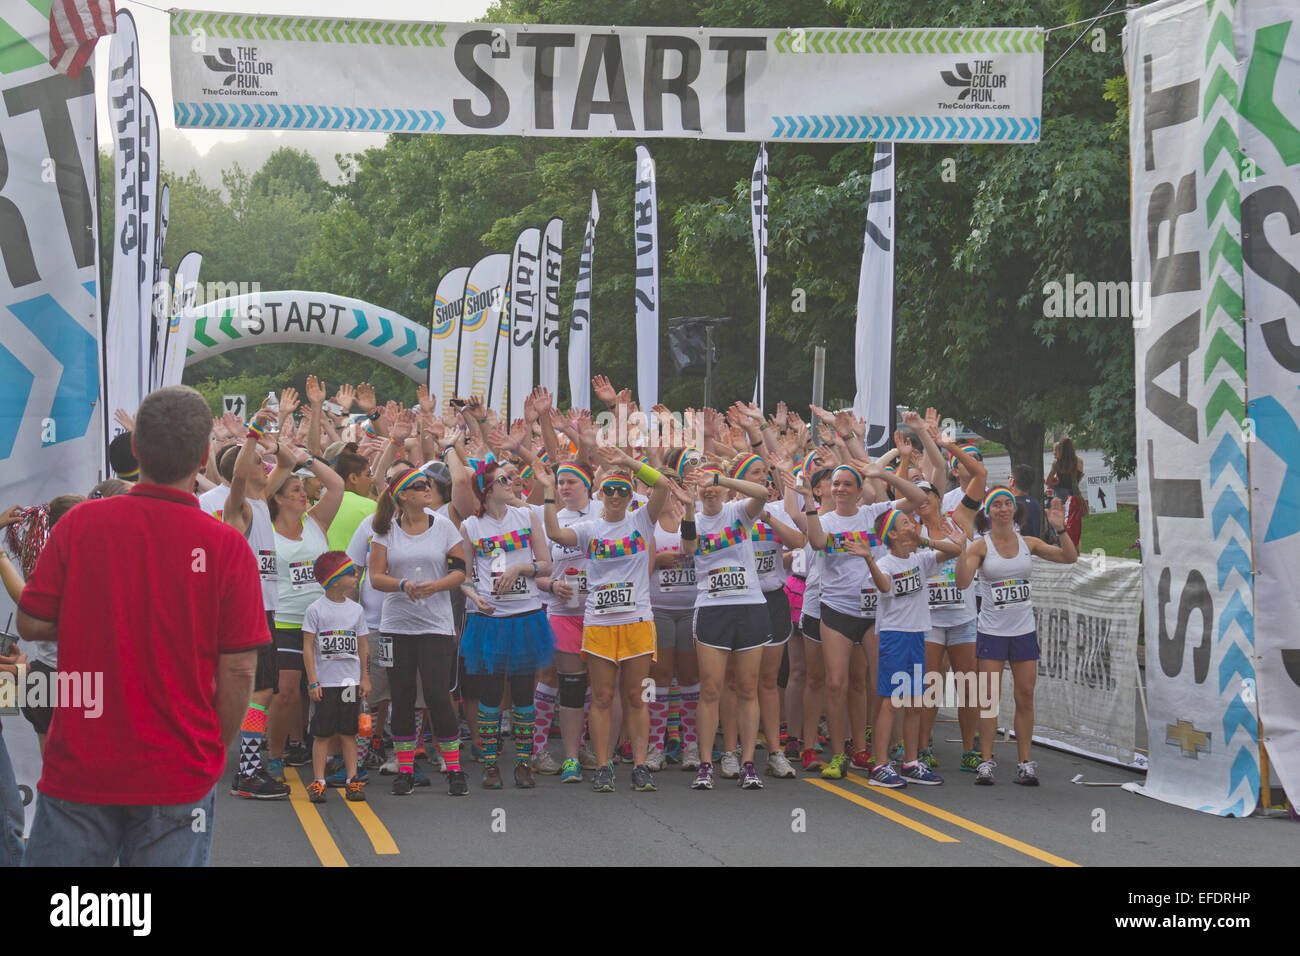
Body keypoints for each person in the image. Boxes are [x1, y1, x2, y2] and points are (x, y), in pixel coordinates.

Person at [16, 385, 269, 866]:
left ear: (135, 449)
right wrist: (213, 749)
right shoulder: (227, 546)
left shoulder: (79, 525)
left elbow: (30, 622)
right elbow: (239, 671)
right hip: (178, 770)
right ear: (203, 455)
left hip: (81, 768)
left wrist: (99, 618)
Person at [540, 447, 670, 793]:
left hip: (637, 620)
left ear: (630, 496)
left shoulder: (641, 520)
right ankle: (602, 765)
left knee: (636, 696)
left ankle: (641, 766)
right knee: (600, 696)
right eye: (609, 490)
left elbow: (663, 487)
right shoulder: (588, 528)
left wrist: (629, 463)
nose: (615, 496)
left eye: (623, 491)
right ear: (600, 495)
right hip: (599, 622)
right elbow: (554, 534)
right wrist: (550, 494)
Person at [797, 461, 927, 780]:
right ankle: (839, 754)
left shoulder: (874, 513)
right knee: (837, 683)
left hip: (872, 612)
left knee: (869, 684)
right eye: (836, 483)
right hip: (836, 610)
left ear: (858, 490)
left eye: (847, 484)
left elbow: (917, 498)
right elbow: (816, 543)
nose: (840, 488)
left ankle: (863, 749)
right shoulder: (824, 520)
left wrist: (881, 474)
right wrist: (809, 504)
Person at [956, 489, 1077, 785]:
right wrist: (961, 549)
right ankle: (985, 760)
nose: (1003, 509)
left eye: (1008, 503)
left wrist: (1060, 528)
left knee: (1024, 695)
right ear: (988, 512)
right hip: (992, 632)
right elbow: (961, 582)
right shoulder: (980, 547)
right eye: (996, 505)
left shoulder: (1029, 543)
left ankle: (1025, 762)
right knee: (989, 699)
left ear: (1014, 509)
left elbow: (1069, 557)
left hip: (1023, 631)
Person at [367, 466, 469, 796]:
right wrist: (403, 584)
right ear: (405, 495)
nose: (429, 489)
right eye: (421, 486)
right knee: (402, 695)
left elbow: (460, 571)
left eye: (429, 485)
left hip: (435, 625)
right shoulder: (385, 529)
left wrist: (435, 586)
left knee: (440, 695)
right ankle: (406, 770)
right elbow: (375, 577)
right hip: (397, 625)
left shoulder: (442, 526)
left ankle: (453, 769)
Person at [457, 459, 554, 790]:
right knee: (491, 694)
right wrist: (474, 598)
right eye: (503, 479)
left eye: (510, 477)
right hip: (490, 620)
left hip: (525, 616)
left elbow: (545, 565)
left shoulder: (527, 516)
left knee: (525, 694)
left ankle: (524, 764)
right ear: (486, 491)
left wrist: (520, 569)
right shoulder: (471, 526)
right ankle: (490, 765)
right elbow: (463, 577)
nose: (511, 482)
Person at [848, 510, 962, 787]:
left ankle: (911, 761)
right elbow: (884, 585)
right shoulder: (885, 563)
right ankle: (880, 765)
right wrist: (868, 560)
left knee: (913, 702)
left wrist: (925, 540)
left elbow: (954, 550)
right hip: (894, 636)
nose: (912, 525)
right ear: (893, 535)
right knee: (891, 701)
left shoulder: (919, 558)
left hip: (916, 635)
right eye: (905, 523)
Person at [680, 463, 771, 791]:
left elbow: (763, 493)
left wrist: (719, 478)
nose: (708, 489)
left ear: (725, 487)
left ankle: (748, 762)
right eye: (702, 485)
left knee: (748, 688)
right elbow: (689, 550)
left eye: (713, 484)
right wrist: (689, 507)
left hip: (749, 606)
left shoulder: (738, 511)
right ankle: (706, 764)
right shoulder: (693, 520)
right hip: (712, 609)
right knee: (711, 689)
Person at [223, 406, 296, 799]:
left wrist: (271, 442)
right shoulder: (240, 508)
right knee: (259, 692)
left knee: (263, 691)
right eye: (257, 463)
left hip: (266, 610)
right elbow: (237, 474)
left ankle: (247, 769)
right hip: (245, 610)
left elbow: (289, 460)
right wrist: (250, 434)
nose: (265, 467)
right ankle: (247, 772)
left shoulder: (264, 499)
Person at [265, 442, 345, 783]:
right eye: (296, 490)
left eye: (304, 489)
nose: (304, 494)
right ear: (279, 498)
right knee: (285, 691)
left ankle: (336, 756)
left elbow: (337, 485)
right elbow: (257, 497)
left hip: (323, 619)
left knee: (335, 690)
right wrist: (282, 462)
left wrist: (306, 459)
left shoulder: (316, 522)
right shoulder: (262, 528)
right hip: (283, 620)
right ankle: (273, 755)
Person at [532, 461, 596, 782]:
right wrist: (553, 585)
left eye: (572, 482)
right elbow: (539, 571)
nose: (565, 488)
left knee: (591, 683)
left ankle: (581, 745)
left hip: (598, 612)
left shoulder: (604, 513)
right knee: (556, 678)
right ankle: (539, 748)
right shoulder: (549, 520)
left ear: (589, 485)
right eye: (560, 482)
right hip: (561, 610)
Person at [302, 552, 372, 803]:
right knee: (322, 733)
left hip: (348, 683)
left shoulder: (356, 611)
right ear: (333, 580)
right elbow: (308, 647)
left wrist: (365, 677)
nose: (356, 577)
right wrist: (312, 680)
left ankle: (353, 780)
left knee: (348, 732)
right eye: (350, 573)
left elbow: (363, 646)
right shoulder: (315, 610)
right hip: (326, 683)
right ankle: (318, 781)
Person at [1047, 438, 1085, 547]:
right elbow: (1079, 478)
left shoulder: (1057, 464)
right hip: (1074, 495)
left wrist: (1055, 482)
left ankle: (1062, 546)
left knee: (1060, 523)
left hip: (1060, 495)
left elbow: (1049, 480)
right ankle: (1076, 549)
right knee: (1074, 525)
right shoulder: (1079, 461)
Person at [1008, 464, 1043, 539]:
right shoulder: (1035, 503)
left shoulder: (1011, 506)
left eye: (1009, 477)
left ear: (1012, 482)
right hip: (1034, 547)